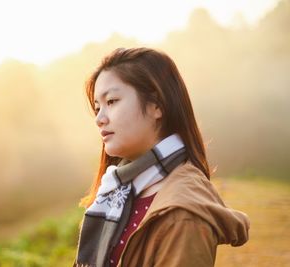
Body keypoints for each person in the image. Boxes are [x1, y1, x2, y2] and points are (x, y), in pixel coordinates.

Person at [72, 47, 250, 267]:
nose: (99, 118)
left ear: (157, 105)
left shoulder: (182, 212)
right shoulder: (117, 189)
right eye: (97, 107)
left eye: (112, 102)